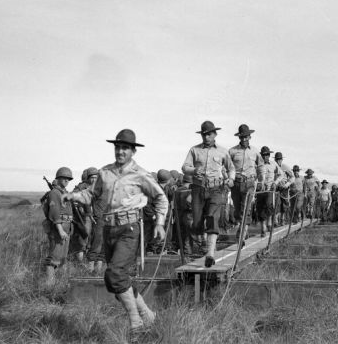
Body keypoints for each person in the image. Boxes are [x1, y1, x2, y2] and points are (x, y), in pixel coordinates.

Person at [65, 129, 168, 337]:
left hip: (129, 229)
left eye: (125, 148)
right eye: (117, 147)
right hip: (108, 229)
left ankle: (135, 322)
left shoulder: (141, 174)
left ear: (133, 151)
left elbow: (161, 198)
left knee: (115, 274)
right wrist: (73, 197)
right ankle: (149, 315)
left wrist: (159, 223)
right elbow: (90, 194)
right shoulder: (104, 172)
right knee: (116, 280)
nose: (120, 151)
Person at [181, 121, 235, 268]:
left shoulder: (223, 151)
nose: (206, 137)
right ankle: (204, 244)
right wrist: (193, 171)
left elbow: (231, 168)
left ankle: (210, 253)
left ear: (215, 134)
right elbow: (185, 167)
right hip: (198, 189)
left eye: (209, 134)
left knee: (212, 217)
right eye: (204, 134)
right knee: (197, 222)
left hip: (216, 189)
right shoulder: (194, 150)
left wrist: (231, 179)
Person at [228, 124, 263, 246]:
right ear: (239, 137)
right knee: (238, 211)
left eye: (246, 137)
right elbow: (225, 166)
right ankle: (244, 229)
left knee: (245, 209)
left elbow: (261, 166)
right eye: (242, 137)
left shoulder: (255, 152)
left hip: (249, 183)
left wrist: (261, 181)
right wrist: (229, 179)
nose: (244, 139)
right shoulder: (232, 151)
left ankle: (241, 235)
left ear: (250, 137)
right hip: (236, 184)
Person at [43, 167, 74, 286]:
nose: (67, 180)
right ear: (58, 178)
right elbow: (55, 213)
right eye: (64, 178)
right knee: (54, 257)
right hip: (58, 228)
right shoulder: (55, 193)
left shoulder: (64, 193)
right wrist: (60, 230)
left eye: (68, 179)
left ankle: (59, 283)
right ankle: (49, 284)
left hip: (67, 225)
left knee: (62, 257)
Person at [257, 146, 281, 237]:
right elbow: (254, 175)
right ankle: (263, 228)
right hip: (259, 190)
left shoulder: (273, 164)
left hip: (270, 189)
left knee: (269, 205)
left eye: (267, 154)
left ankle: (270, 222)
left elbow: (281, 175)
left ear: (269, 155)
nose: (265, 156)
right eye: (263, 154)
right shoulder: (257, 165)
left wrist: (275, 183)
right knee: (260, 207)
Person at [274, 152, 294, 226]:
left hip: (284, 188)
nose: (278, 161)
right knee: (276, 203)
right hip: (276, 187)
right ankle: (275, 220)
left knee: (284, 204)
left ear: (282, 160)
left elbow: (292, 177)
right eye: (277, 159)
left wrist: (287, 184)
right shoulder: (273, 166)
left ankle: (282, 219)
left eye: (279, 159)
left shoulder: (285, 167)